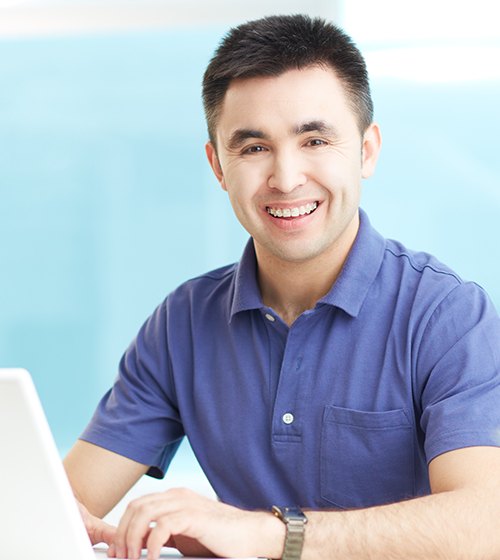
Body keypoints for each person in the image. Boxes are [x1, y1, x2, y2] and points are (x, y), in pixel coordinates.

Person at [63, 14, 500, 560]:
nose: (286, 177)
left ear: (366, 151)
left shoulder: (447, 317)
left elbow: (487, 525)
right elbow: (57, 505)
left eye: (314, 139)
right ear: (218, 165)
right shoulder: (182, 324)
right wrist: (106, 534)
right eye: (253, 148)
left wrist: (270, 535)